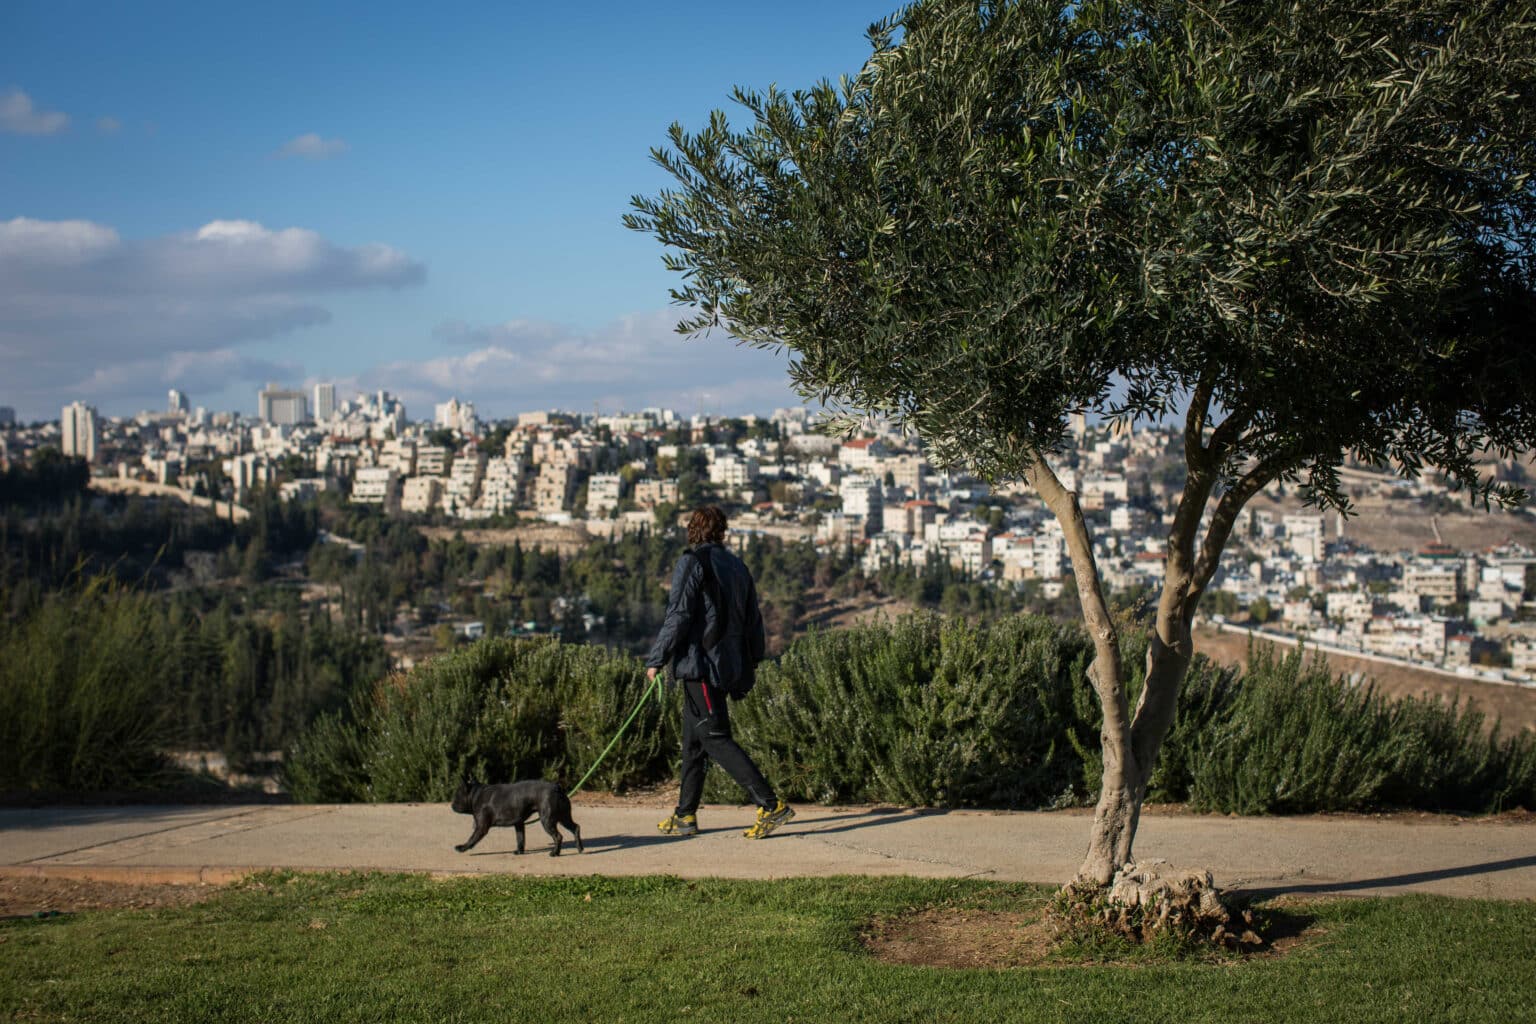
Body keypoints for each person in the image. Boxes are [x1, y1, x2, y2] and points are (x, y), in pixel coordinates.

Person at [645, 505, 794, 840]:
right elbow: (754, 620)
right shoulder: (738, 566)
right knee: (693, 744)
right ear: (722, 531)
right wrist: (752, 661)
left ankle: (771, 805)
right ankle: (685, 815)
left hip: (702, 666)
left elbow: (679, 614)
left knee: (714, 737)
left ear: (693, 530)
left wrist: (656, 659)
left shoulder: (692, 562)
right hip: (727, 666)